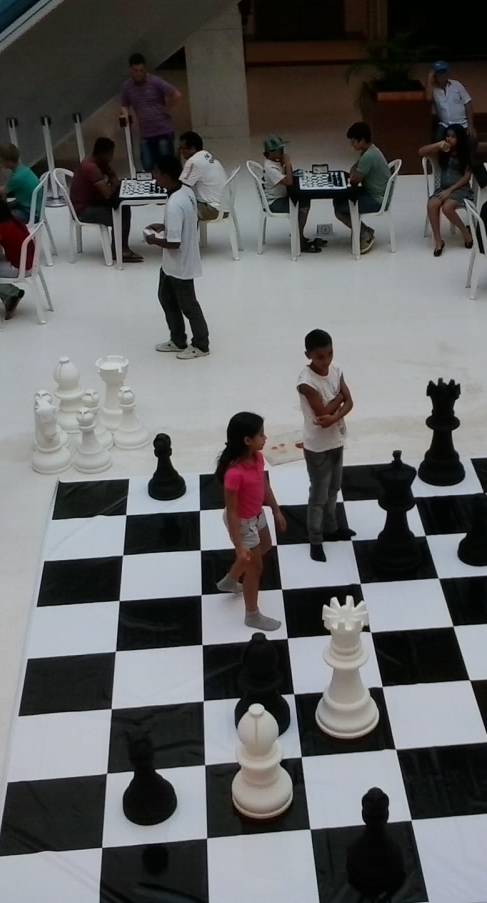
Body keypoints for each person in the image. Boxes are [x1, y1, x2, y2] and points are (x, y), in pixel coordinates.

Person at [214, 412, 286, 632]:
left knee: (264, 546)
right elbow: (233, 512)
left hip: (257, 514)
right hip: (242, 522)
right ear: (247, 440)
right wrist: (239, 545)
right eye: (261, 435)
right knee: (255, 568)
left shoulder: (257, 458)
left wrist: (275, 510)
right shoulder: (234, 474)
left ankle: (230, 579)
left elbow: (263, 485)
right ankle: (252, 615)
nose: (265, 438)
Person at [296, 329, 355, 562]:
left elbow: (349, 401)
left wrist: (336, 409)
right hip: (317, 446)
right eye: (320, 356)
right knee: (319, 495)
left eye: (329, 354)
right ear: (308, 355)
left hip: (337, 439)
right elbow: (322, 415)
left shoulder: (337, 369)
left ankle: (332, 528)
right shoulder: (306, 383)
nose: (327, 360)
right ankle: (315, 538)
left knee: (334, 489)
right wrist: (339, 401)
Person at [144, 155, 209, 359]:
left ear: (165, 175)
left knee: (189, 305)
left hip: (180, 266)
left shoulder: (174, 204)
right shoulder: (185, 191)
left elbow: (174, 243)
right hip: (170, 265)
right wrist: (164, 226)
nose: (154, 178)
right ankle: (178, 339)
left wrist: (153, 240)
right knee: (166, 298)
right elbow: (184, 223)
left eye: (156, 173)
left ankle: (201, 344)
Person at [68, 137, 141, 264]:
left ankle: (121, 247)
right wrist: (113, 181)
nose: (111, 158)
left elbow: (111, 179)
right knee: (120, 215)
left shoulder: (94, 161)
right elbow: (108, 194)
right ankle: (118, 251)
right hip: (83, 210)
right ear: (104, 154)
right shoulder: (92, 168)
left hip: (91, 202)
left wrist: (111, 176)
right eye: (110, 154)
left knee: (124, 207)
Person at [120, 52, 183, 177]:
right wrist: (125, 115)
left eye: (141, 70)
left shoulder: (155, 81)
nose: (139, 73)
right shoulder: (127, 86)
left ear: (145, 69)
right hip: (146, 134)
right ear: (131, 70)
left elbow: (176, 94)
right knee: (148, 165)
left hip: (163, 131)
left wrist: (166, 108)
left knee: (167, 165)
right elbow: (124, 104)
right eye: (136, 70)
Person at [418, 123, 475, 255]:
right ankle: (438, 241)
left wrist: (450, 190)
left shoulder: (465, 154)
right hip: (443, 188)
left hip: (460, 189)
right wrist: (438, 145)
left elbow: (466, 177)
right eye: (447, 136)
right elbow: (421, 152)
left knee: (447, 207)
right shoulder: (443, 151)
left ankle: (465, 232)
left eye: (453, 137)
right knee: (432, 204)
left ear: (459, 139)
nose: (449, 139)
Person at [333, 122, 389, 256]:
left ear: (362, 140)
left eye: (353, 141)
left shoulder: (368, 156)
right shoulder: (370, 150)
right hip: (372, 193)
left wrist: (354, 174)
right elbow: (353, 169)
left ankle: (364, 233)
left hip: (376, 199)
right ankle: (364, 230)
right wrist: (354, 173)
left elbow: (354, 180)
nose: (351, 145)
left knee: (340, 209)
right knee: (338, 200)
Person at [259, 135, 320, 255]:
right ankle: (299, 239)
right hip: (275, 203)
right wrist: (288, 164)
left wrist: (285, 165)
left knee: (304, 199)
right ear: (271, 152)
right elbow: (289, 182)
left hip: (281, 197)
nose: (283, 152)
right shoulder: (270, 167)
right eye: (279, 149)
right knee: (303, 203)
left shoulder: (275, 163)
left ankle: (298, 234)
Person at [0, 194, 33, 318]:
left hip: (20, 266)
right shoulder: (13, 219)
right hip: (28, 260)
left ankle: (12, 294)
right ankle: (11, 296)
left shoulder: (1, 229)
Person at [178, 131, 227, 223]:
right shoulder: (205, 154)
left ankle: (175, 235)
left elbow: (181, 188)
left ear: (192, 148)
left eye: (182, 148)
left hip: (213, 210)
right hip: (224, 206)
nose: (180, 152)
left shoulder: (194, 161)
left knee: (178, 206)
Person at [0, 142, 41, 223]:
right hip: (34, 207)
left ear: (9, 161)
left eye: (1, 161)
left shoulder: (17, 177)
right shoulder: (23, 169)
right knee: (3, 207)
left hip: (30, 213)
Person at [427, 61, 474, 140]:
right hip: (445, 124)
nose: (442, 75)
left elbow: (468, 104)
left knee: (472, 140)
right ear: (435, 75)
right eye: (439, 73)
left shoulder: (457, 85)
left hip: (461, 123)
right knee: (437, 139)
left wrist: (471, 126)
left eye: (444, 72)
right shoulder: (433, 89)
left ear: (447, 73)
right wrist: (429, 78)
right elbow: (428, 97)